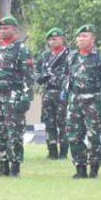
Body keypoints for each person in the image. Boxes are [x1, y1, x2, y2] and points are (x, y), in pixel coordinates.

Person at [0, 16, 34, 177]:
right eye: (0, 28)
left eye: (6, 28)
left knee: (14, 133)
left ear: (15, 30)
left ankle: (15, 167)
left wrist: (26, 97)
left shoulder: (21, 50)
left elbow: (28, 76)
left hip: (13, 95)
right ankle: (2, 165)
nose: (2, 31)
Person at [64, 24, 101, 179]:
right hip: (75, 101)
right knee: (73, 136)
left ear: (93, 39)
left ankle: (94, 168)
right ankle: (80, 168)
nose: (80, 39)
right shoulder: (72, 56)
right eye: (79, 36)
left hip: (93, 100)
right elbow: (67, 76)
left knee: (93, 136)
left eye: (84, 36)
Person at [36, 27, 70, 160]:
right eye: (50, 40)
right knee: (49, 123)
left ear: (62, 39)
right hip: (48, 92)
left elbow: (71, 73)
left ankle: (63, 152)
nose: (52, 42)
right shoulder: (45, 56)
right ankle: (52, 152)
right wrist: (42, 77)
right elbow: (36, 72)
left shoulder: (69, 55)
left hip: (62, 92)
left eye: (55, 39)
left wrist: (59, 78)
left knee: (63, 123)